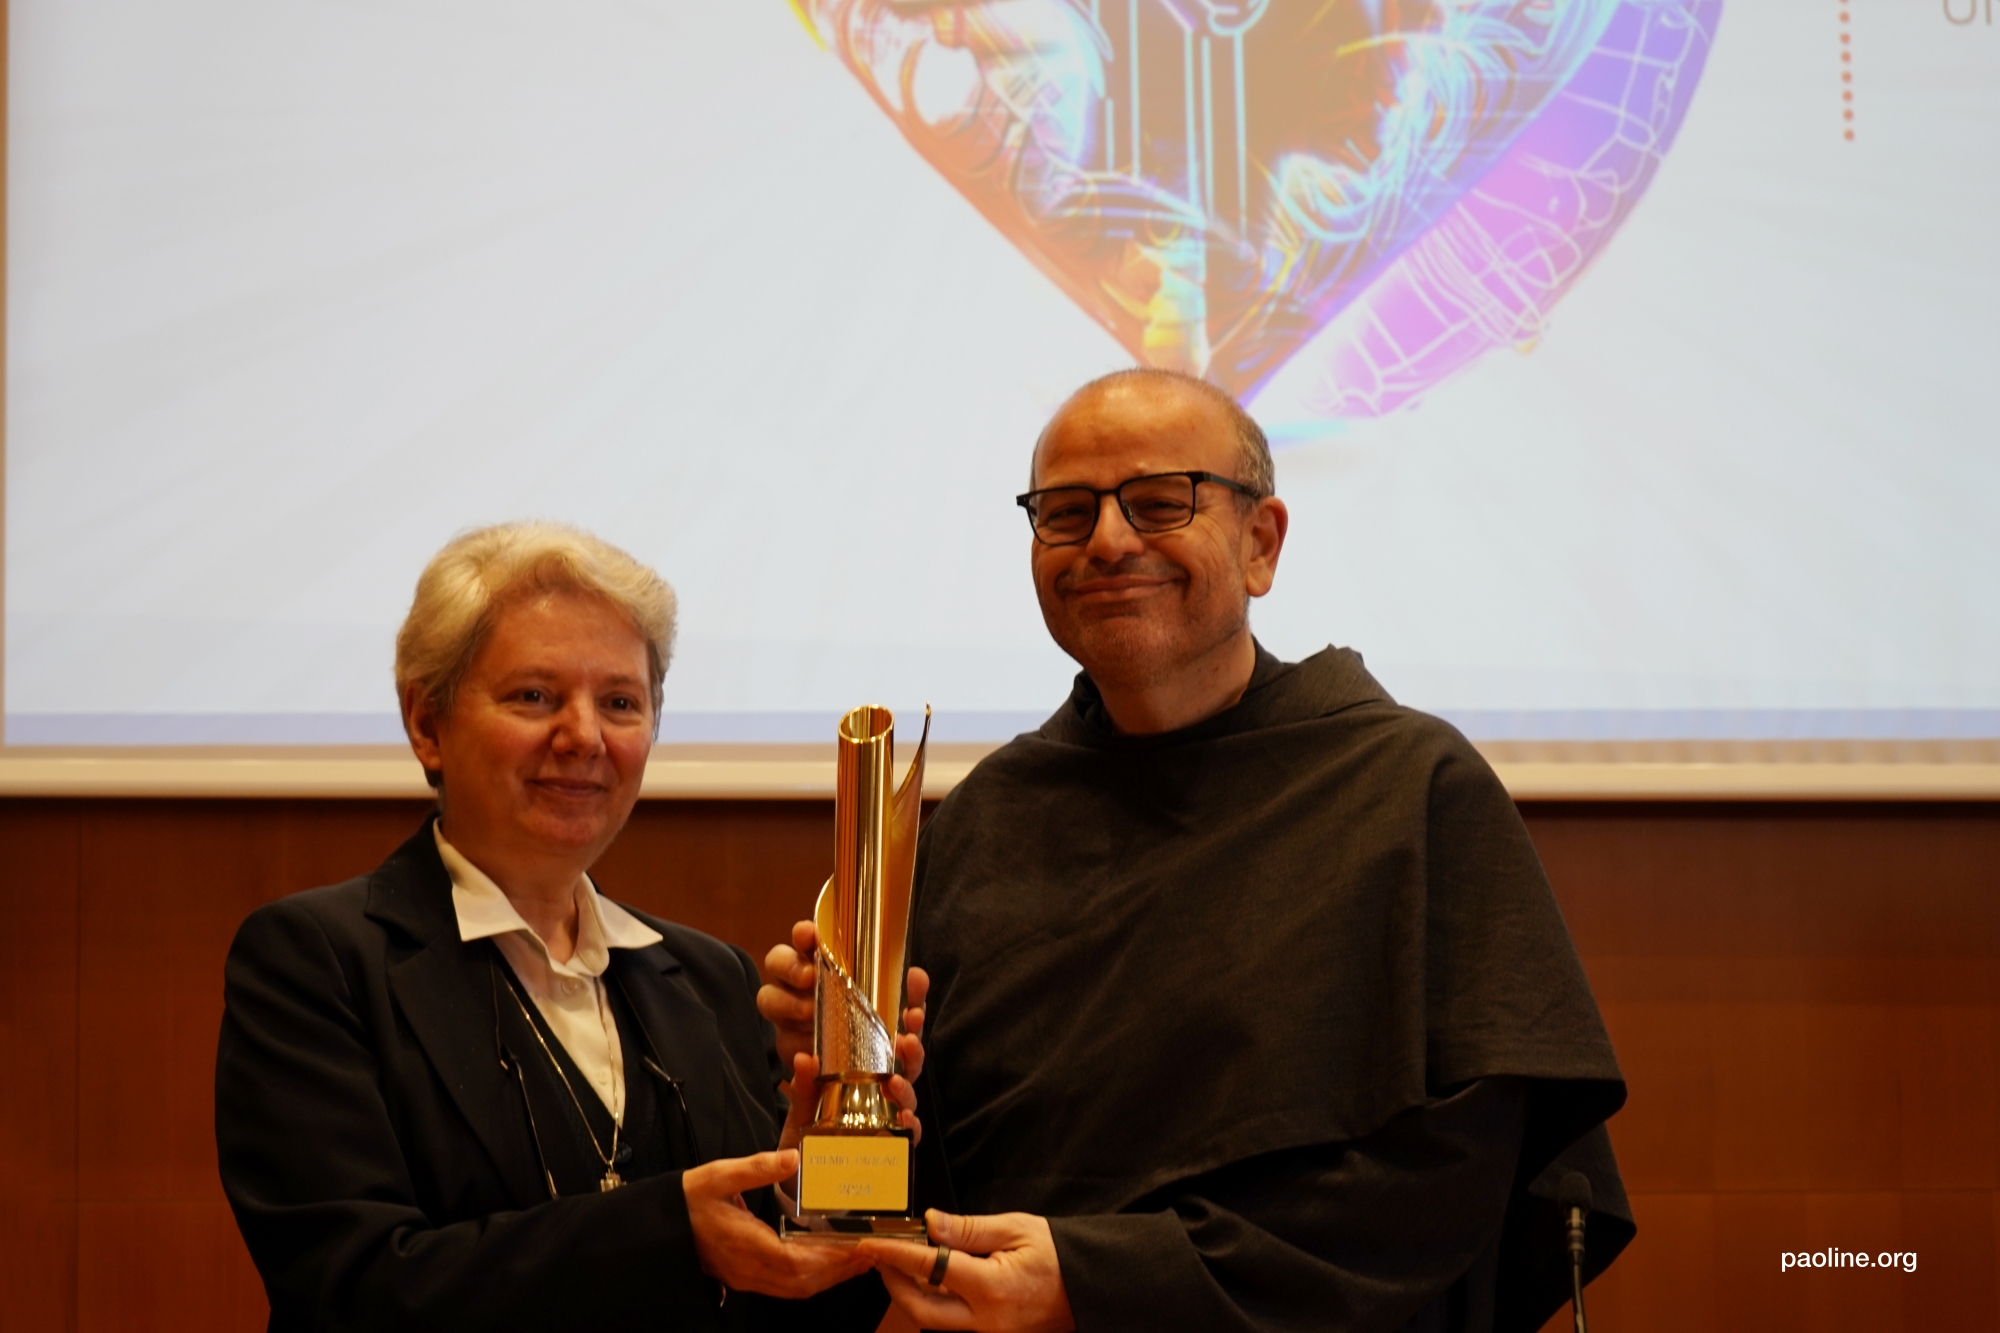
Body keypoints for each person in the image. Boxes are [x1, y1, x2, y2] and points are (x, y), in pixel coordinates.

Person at [760, 369, 1634, 1332]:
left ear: (1262, 543)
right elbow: (927, 1184)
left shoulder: (1409, 790)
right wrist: (841, 1082)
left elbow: (1458, 1172)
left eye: (1160, 501)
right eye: (1066, 513)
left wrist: (1100, 1282)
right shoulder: (981, 823)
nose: (1107, 540)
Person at [215, 522, 927, 1331]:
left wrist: (820, 1190)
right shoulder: (317, 962)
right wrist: (667, 1234)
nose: (584, 736)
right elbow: (353, 1291)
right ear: (426, 722)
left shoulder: (710, 980)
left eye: (620, 702)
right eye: (535, 696)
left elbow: (796, 1315)